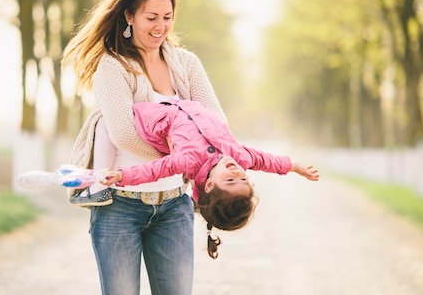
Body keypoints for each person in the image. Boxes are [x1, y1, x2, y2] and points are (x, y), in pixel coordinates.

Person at [61, 0, 225, 295]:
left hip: (174, 207)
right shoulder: (113, 66)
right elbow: (123, 133)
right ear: (129, 16)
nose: (160, 26)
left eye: (167, 17)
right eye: (151, 17)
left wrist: (193, 160)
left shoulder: (187, 64)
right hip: (119, 208)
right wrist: (184, 156)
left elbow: (216, 124)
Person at [71, 99, 320, 258]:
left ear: (210, 185)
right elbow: (265, 160)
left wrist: (121, 176)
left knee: (106, 122)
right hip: (190, 107)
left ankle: (96, 187)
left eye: (231, 181)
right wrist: (294, 166)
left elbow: (156, 169)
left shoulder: (189, 161)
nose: (237, 174)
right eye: (244, 180)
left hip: (157, 117)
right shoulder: (240, 158)